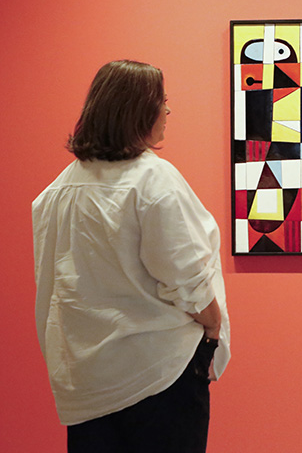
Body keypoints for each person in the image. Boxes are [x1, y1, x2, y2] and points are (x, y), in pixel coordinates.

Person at [32, 60, 231, 453]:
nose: (168, 111)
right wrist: (213, 326)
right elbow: (186, 278)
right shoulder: (153, 181)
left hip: (85, 380)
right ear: (136, 110)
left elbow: (54, 286)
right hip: (159, 375)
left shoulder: (59, 190)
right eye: (162, 101)